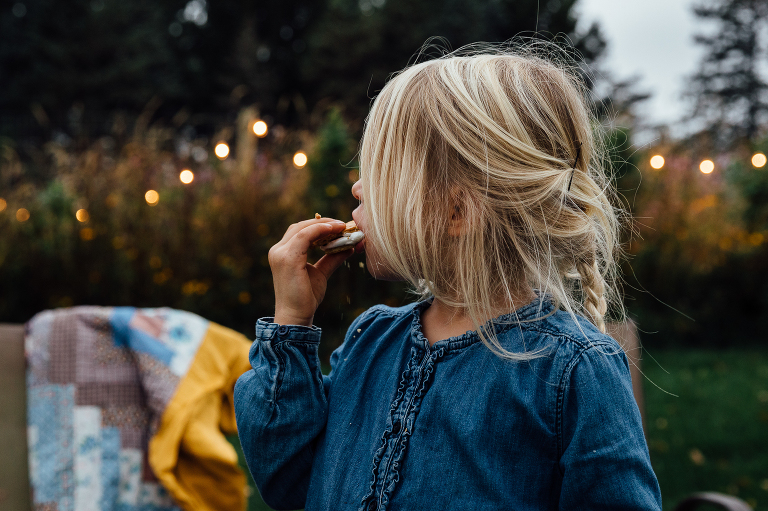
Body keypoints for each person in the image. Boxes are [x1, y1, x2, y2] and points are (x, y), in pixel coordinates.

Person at [234, 44, 662, 511]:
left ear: (456, 211)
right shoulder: (369, 342)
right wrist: (292, 323)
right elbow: (290, 486)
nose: (357, 187)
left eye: (380, 172)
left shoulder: (571, 371)